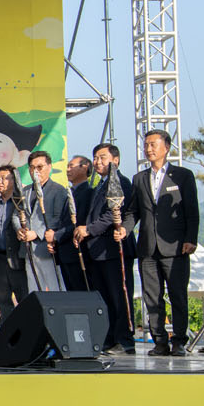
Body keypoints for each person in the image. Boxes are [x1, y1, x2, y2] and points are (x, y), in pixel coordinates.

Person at [126, 129, 199, 356]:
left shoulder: (182, 176)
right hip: (147, 247)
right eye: (146, 145)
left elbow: (192, 210)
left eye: (153, 144)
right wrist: (124, 229)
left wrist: (191, 239)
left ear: (166, 147)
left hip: (175, 247)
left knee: (178, 295)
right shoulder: (139, 178)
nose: (148, 149)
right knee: (152, 298)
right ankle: (159, 341)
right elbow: (133, 211)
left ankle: (179, 341)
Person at [87, 144, 137, 353]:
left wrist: (89, 229)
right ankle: (109, 338)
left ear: (115, 160)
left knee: (120, 297)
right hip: (98, 251)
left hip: (115, 248)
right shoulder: (99, 185)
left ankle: (125, 339)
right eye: (95, 158)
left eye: (103, 158)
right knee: (105, 298)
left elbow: (113, 214)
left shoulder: (120, 182)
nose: (97, 162)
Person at [18, 151, 71, 297]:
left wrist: (37, 233)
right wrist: (20, 230)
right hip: (28, 249)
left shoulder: (58, 190)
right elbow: (17, 214)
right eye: (32, 167)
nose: (35, 171)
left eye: (39, 167)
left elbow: (57, 218)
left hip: (47, 249)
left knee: (55, 290)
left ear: (49, 167)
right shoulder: (25, 191)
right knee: (34, 291)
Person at [0, 166, 29, 327]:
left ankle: (26, 331)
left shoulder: (21, 204)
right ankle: (9, 332)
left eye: (5, 178)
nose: (0, 181)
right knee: (3, 300)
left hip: (17, 258)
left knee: (24, 299)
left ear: (14, 180)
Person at [58, 156, 93, 293]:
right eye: (67, 166)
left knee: (81, 293)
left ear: (85, 167)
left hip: (78, 252)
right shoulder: (69, 192)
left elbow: (79, 222)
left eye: (71, 166)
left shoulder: (88, 192)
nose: (68, 170)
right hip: (65, 253)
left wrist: (56, 235)